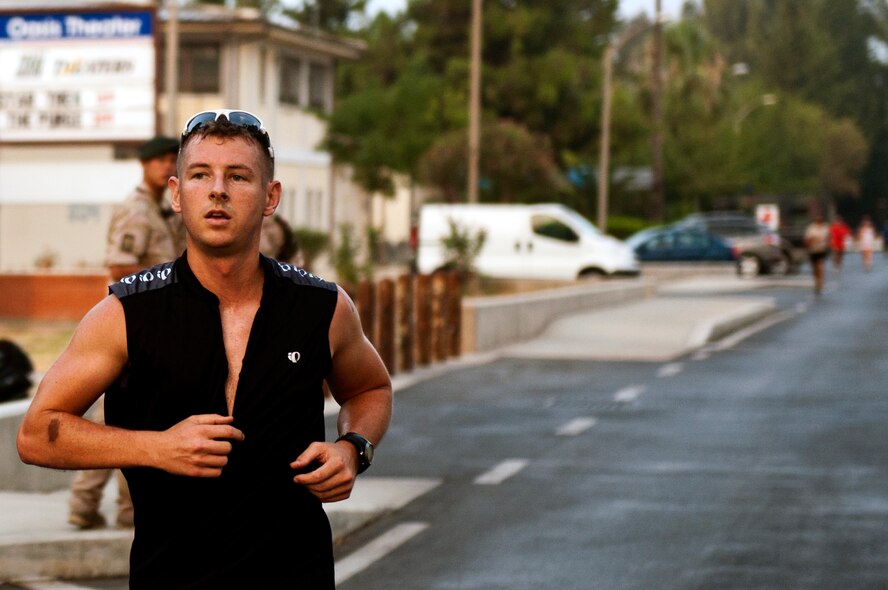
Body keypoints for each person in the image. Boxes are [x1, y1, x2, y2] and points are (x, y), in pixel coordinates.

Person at [18, 109, 393, 588]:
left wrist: (353, 448)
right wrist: (155, 447)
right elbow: (35, 434)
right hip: (171, 577)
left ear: (269, 197)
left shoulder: (323, 306)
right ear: (177, 193)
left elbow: (371, 388)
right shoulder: (124, 314)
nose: (218, 190)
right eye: (200, 175)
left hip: (297, 574)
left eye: (238, 176)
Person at [67, 134, 183, 530]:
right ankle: (124, 510)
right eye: (162, 160)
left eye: (174, 160)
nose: (169, 166)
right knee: (124, 420)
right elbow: (120, 268)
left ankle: (89, 506)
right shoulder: (137, 211)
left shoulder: (161, 209)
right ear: (146, 164)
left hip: (156, 324)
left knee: (113, 419)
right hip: (136, 325)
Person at [803, 212, 829, 296]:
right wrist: (808, 245)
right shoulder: (811, 228)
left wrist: (828, 245)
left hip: (821, 250)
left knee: (820, 266)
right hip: (813, 250)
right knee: (814, 268)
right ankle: (816, 281)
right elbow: (807, 238)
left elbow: (828, 237)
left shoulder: (825, 227)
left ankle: (820, 283)